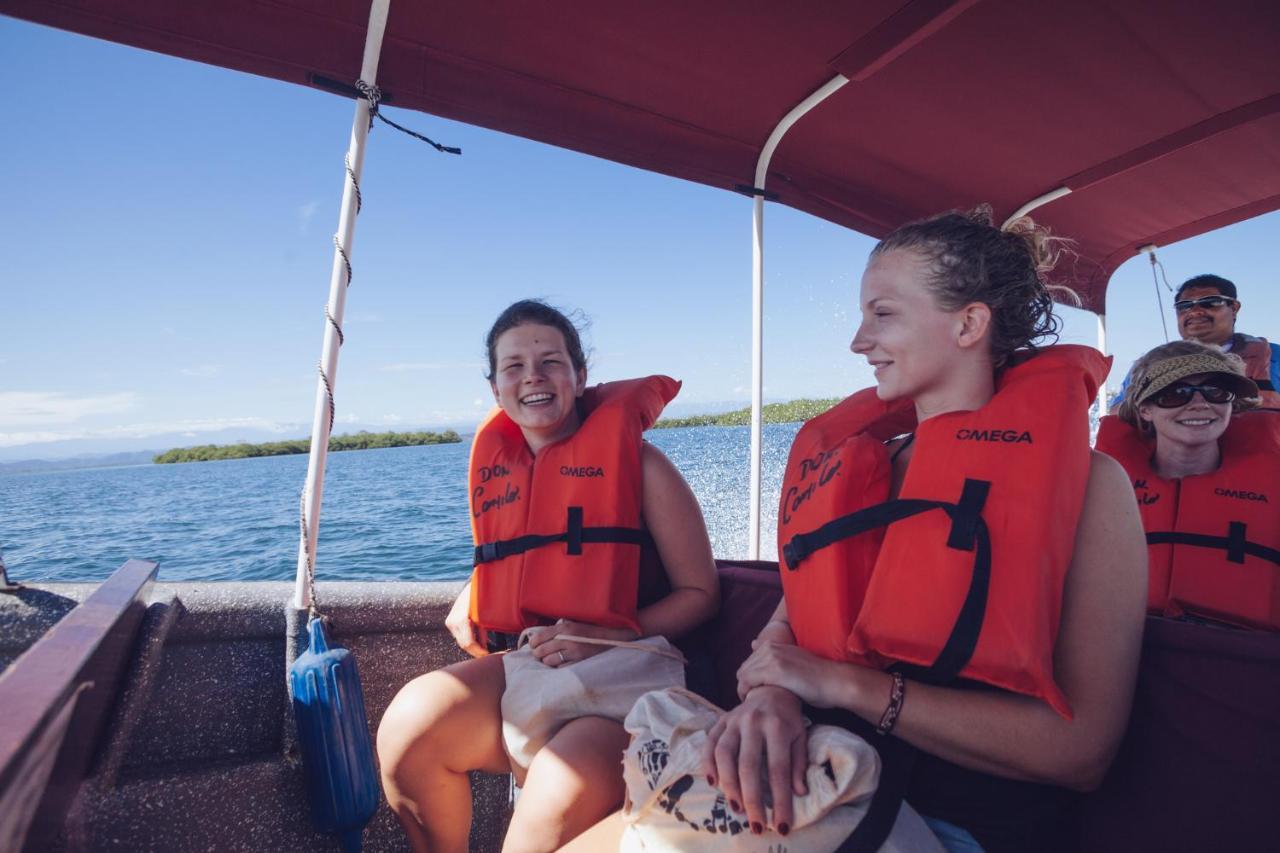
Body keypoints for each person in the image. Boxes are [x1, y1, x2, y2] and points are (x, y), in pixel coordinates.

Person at [702, 207, 1148, 853]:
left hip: (959, 822)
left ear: (968, 322)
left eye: (882, 313)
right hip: (821, 775)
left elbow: (1081, 752)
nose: (860, 341)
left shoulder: (1094, 486)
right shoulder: (864, 469)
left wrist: (845, 686)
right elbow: (804, 602)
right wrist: (773, 692)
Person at [376, 299, 719, 853]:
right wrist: (476, 587)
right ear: (495, 388)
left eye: (550, 362)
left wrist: (615, 632)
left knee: (553, 796)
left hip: (625, 684)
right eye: (514, 366)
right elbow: (526, 559)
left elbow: (702, 595)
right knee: (409, 728)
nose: (533, 377)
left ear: (580, 377)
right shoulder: (502, 478)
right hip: (527, 668)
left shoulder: (644, 467)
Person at [1096, 340, 1278, 630]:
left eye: (1216, 392)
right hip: (1118, 653)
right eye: (1175, 393)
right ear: (1145, 409)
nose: (1199, 404)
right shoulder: (1093, 489)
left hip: (1248, 661)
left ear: (1232, 403)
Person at [1112, 274, 1280, 410]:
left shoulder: (1275, 358)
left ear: (1234, 308)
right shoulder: (1149, 365)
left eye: (1210, 302)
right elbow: (1116, 413)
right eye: (1184, 306)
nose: (1195, 311)